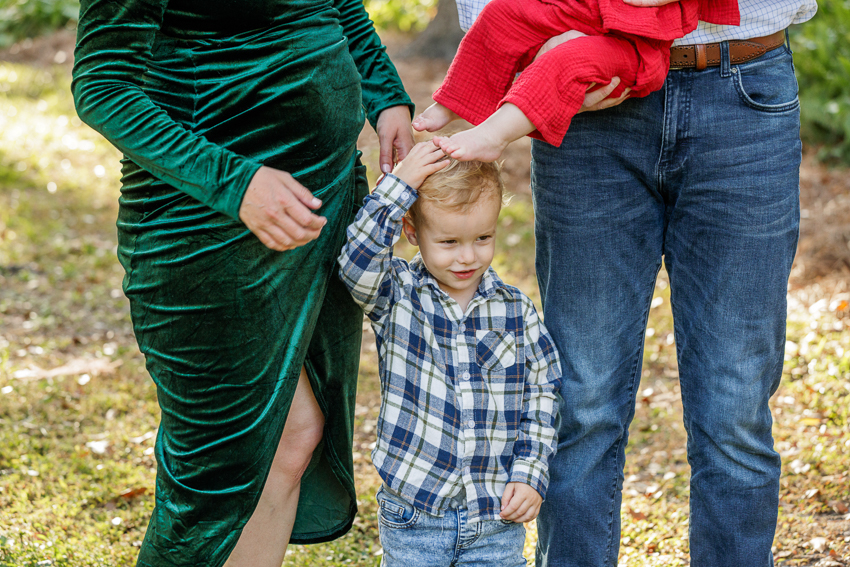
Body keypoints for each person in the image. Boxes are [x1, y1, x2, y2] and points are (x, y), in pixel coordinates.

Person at [447, 0, 818, 566]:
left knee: (734, 406)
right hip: (591, 94)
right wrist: (540, 54)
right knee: (582, 397)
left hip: (743, 89)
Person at [71, 0, 415, 565]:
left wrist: (385, 95)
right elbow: (103, 86)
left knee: (290, 439)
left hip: (317, 206)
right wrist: (238, 185)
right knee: (214, 483)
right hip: (206, 227)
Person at [337, 142, 562, 567]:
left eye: (483, 237)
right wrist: (400, 185)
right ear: (412, 231)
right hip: (414, 514)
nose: (467, 256)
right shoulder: (397, 295)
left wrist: (529, 473)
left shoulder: (515, 310)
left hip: (495, 518)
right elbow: (355, 262)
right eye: (448, 241)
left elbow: (543, 393)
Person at [413, 0, 738, 161]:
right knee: (503, 12)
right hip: (588, 9)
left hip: (638, 44)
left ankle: (493, 136)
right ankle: (455, 100)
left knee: (567, 58)